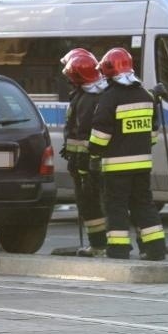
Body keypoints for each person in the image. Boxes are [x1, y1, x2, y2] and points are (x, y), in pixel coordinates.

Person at [88, 47, 167, 261]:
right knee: (144, 205)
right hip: (142, 165)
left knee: (116, 208)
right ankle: (156, 249)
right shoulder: (146, 95)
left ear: (109, 72)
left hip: (115, 168)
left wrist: (93, 153)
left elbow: (100, 135)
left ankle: (118, 250)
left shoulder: (109, 98)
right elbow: (152, 135)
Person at [60, 49, 108, 257]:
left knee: (89, 203)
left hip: (86, 162)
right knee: (98, 202)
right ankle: (101, 244)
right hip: (88, 160)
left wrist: (78, 159)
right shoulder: (93, 94)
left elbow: (83, 134)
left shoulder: (87, 99)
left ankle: (98, 245)